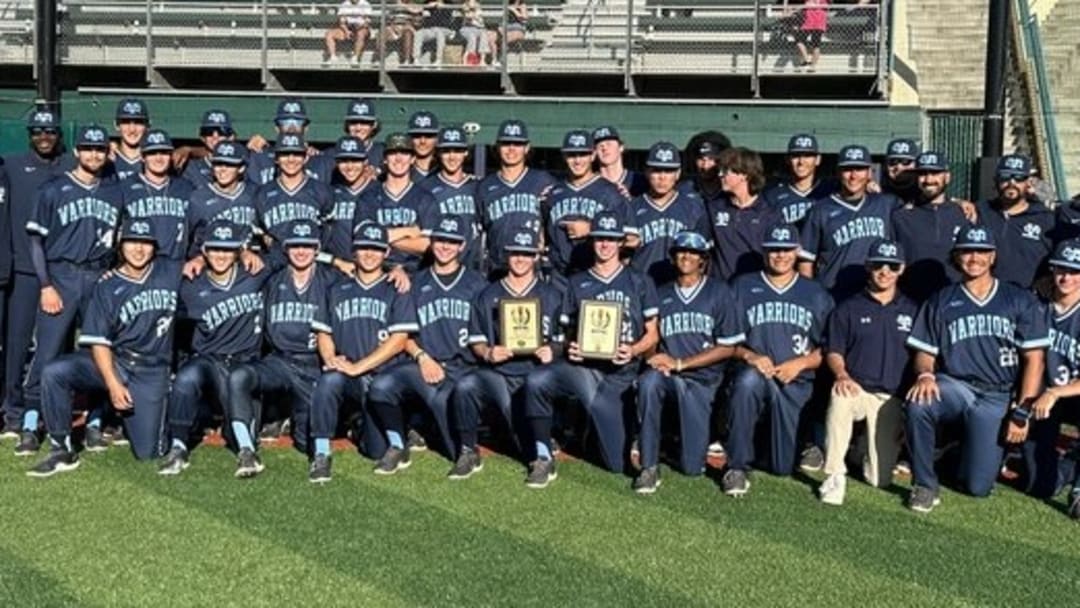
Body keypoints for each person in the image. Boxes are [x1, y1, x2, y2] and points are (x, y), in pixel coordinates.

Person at [904, 223, 1048, 512]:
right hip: (957, 386)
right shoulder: (942, 299)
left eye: (982, 251)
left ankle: (954, 453)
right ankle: (924, 484)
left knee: (977, 487)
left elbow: (1035, 359)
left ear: (993, 256)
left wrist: (1022, 410)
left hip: (998, 395)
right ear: (956, 257)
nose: (974, 258)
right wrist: (926, 374)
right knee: (920, 403)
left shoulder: (1017, 299)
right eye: (967, 251)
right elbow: (924, 351)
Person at [28, 218, 181, 476]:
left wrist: (203, 260)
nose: (139, 249)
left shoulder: (170, 271)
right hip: (117, 362)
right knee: (55, 372)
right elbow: (99, 342)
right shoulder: (108, 285)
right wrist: (113, 384)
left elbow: (209, 261)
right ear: (121, 246)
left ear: (155, 247)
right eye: (133, 242)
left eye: (145, 243)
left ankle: (156, 419)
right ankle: (61, 448)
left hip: (152, 371)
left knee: (148, 453)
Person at [524, 211, 659, 483]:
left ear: (621, 242)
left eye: (611, 239)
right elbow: (566, 333)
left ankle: (598, 430)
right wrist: (570, 347)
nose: (605, 245)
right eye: (599, 239)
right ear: (592, 241)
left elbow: (652, 335)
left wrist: (633, 350)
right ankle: (542, 455)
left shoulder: (640, 281)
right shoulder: (577, 282)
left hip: (620, 375)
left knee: (615, 465)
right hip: (584, 370)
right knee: (537, 380)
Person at [18, 125, 123, 457]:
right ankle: (31, 424)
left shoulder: (113, 192)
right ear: (76, 152)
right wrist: (46, 285)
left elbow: (122, 240)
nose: (93, 154)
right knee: (46, 353)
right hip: (62, 275)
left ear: (108, 153)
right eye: (87, 148)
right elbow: (35, 242)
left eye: (99, 149)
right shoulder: (54, 189)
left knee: (99, 351)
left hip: (98, 276)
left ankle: (94, 422)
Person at [365, 215, 487, 468]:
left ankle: (463, 443)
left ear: (462, 246)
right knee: (380, 386)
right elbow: (404, 335)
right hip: (425, 365)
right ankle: (398, 443)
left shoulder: (477, 284)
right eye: (440, 240)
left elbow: (485, 337)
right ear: (431, 242)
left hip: (465, 368)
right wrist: (422, 357)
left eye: (452, 242)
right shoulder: (416, 282)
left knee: (453, 449)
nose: (445, 246)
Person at [722, 222, 833, 497]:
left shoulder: (815, 293)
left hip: (796, 384)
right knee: (747, 382)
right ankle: (736, 466)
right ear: (764, 252)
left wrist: (801, 363)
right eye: (773, 250)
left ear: (796, 252)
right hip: (757, 375)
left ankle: (764, 449)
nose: (780, 255)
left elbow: (830, 349)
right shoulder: (742, 286)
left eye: (785, 250)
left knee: (781, 466)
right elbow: (727, 342)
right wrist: (750, 355)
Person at [633, 230, 743, 494]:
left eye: (693, 253)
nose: (686, 257)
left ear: (703, 259)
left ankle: (682, 447)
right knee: (648, 382)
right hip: (669, 377)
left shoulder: (719, 292)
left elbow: (728, 346)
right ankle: (649, 465)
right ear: (673, 257)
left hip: (704, 381)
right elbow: (652, 336)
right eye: (681, 251)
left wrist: (681, 363)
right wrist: (651, 358)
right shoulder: (660, 293)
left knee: (692, 468)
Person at [159, 219, 270, 478]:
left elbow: (288, 254)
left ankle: (246, 450)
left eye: (227, 249)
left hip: (246, 362)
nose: (221, 255)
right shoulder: (190, 285)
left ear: (236, 251)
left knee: (239, 433)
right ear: (205, 251)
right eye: (215, 249)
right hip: (210, 360)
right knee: (186, 377)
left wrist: (248, 252)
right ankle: (178, 447)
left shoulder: (255, 274)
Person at [451, 227, 563, 480]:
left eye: (526, 253)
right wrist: (488, 353)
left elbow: (563, 340)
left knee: (525, 443)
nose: (520, 259)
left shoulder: (552, 296)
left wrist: (553, 350)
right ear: (506, 255)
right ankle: (468, 450)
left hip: (537, 374)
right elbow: (476, 340)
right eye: (515, 254)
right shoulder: (488, 294)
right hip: (499, 373)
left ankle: (543, 457)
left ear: (536, 256)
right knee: (466, 385)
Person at [308, 221, 418, 479]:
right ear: (354, 251)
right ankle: (321, 453)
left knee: (373, 450)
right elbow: (324, 332)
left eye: (376, 248)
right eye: (363, 248)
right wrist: (331, 359)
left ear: (386, 253)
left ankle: (380, 434)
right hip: (349, 376)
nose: (369, 254)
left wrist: (360, 366)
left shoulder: (397, 287)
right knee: (328, 380)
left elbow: (399, 339)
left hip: (384, 379)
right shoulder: (337, 288)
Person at [228, 221, 337, 474]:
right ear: (285, 250)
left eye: (307, 246)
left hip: (314, 365)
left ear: (317, 249)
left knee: (303, 442)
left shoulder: (332, 280)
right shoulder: (271, 280)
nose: (301, 251)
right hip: (279, 361)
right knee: (239, 376)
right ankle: (246, 451)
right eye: (295, 246)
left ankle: (319, 451)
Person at [818, 239, 915, 505]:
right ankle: (834, 473)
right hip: (856, 387)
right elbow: (834, 350)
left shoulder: (913, 310)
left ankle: (859, 449)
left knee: (878, 479)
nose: (885, 271)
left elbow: (923, 357)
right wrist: (841, 375)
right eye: (878, 265)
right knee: (840, 397)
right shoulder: (848, 308)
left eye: (892, 266)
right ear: (868, 267)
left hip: (890, 397)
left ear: (901, 269)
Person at [1, 105, 71, 439]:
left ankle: (52, 408)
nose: (44, 137)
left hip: (64, 270)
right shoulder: (12, 166)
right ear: (29, 135)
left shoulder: (72, 165)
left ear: (60, 135)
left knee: (58, 346)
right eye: (37, 132)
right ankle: (13, 410)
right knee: (16, 344)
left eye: (50, 131)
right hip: (25, 271)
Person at [1020, 239, 1080, 517]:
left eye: (1075, 271)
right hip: (1042, 398)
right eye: (1061, 269)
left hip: (1072, 394)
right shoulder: (1036, 306)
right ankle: (1069, 462)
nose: (1066, 277)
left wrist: (1056, 392)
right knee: (1039, 486)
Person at [798, 144, 895, 300]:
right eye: (848, 169)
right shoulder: (821, 210)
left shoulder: (884, 204)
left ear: (869, 172)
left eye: (859, 169)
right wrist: (809, 297)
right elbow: (806, 261)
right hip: (833, 294)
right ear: (838, 172)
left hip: (873, 295)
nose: (853, 176)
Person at [545, 129, 631, 289]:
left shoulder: (610, 192)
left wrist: (592, 229)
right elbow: (542, 237)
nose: (577, 161)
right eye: (572, 155)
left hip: (596, 277)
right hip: (559, 279)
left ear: (593, 155)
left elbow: (633, 239)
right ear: (564, 156)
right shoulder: (553, 193)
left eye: (583, 154)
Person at [477, 119, 556, 276]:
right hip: (497, 269)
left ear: (526, 148)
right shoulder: (485, 186)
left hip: (533, 268)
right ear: (498, 147)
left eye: (517, 144)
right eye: (506, 144)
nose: (511, 149)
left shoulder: (543, 181)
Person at [891, 151, 970, 302]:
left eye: (935, 173)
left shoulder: (965, 214)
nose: (928, 179)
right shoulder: (901, 216)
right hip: (912, 301)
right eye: (923, 173)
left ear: (947, 177)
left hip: (956, 300)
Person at [356, 133, 437, 275]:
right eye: (393, 153)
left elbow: (428, 245)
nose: (399, 159)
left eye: (405, 153)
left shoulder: (425, 198)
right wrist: (408, 232)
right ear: (385, 159)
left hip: (416, 274)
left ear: (412, 159)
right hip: (377, 273)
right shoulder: (369, 197)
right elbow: (362, 238)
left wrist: (380, 238)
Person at [626, 142, 706, 287]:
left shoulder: (693, 207)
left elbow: (704, 256)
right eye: (656, 170)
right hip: (641, 286)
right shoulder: (631, 207)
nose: (662, 177)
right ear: (646, 172)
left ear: (678, 173)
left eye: (668, 171)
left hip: (680, 288)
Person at [252, 133, 335, 271]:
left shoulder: (322, 191)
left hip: (313, 266)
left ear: (306, 157)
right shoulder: (263, 193)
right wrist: (266, 238)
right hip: (275, 267)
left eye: (297, 154)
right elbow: (257, 230)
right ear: (277, 158)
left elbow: (328, 230)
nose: (291, 159)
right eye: (285, 154)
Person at [699, 146, 781, 280]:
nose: (720, 175)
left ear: (745, 175)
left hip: (754, 289)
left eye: (726, 171)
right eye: (720, 170)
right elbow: (698, 245)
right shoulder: (714, 208)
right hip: (721, 290)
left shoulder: (769, 214)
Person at [976, 154, 1053, 289]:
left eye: (1019, 178)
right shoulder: (980, 211)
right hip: (987, 297)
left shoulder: (1046, 219)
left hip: (1029, 300)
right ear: (996, 180)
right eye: (1005, 177)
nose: (1012, 183)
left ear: (1028, 183)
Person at [119, 129, 195, 262]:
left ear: (171, 155)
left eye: (164, 152)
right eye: (152, 153)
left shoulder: (186, 189)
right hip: (138, 266)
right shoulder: (124, 188)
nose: (158, 158)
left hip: (176, 265)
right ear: (143, 157)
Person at [422, 125, 484, 272]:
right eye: (446, 151)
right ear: (438, 153)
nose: (452, 157)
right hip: (437, 267)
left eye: (457, 150)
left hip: (473, 267)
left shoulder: (479, 187)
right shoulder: (425, 188)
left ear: (466, 152)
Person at [761, 133, 834, 228]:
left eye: (807, 156)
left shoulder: (831, 192)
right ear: (787, 159)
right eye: (796, 156)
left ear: (818, 160)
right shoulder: (773, 195)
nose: (801, 162)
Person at [323, 136, 376, 265]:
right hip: (337, 267)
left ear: (366, 161)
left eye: (356, 160)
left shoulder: (379, 192)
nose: (350, 166)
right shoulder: (329, 193)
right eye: (344, 161)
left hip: (373, 266)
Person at [180, 110, 238, 190]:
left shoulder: (240, 165)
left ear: (231, 137)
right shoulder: (191, 169)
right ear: (202, 137)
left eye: (221, 131)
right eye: (209, 131)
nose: (215, 136)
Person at [593, 126, 647, 198]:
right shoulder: (590, 183)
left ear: (621, 147)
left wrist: (630, 201)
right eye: (600, 146)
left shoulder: (638, 181)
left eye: (609, 144)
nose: (604, 148)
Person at [323, 0, 373, 67]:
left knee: (361, 33)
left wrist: (358, 28)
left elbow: (367, 22)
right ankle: (333, 57)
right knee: (329, 34)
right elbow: (341, 22)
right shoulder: (345, 4)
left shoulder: (365, 3)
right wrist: (346, 31)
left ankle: (355, 58)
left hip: (362, 28)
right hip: (348, 28)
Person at [413, 0, 455, 66]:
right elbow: (426, 21)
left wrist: (444, 8)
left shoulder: (449, 3)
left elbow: (448, 22)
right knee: (419, 33)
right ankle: (416, 59)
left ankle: (439, 59)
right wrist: (428, 7)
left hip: (445, 29)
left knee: (439, 32)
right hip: (431, 29)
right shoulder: (427, 3)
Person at [459, 0, 498, 66]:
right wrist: (472, 11)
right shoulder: (465, 5)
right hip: (467, 28)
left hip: (479, 28)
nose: (473, 3)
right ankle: (465, 60)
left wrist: (475, 12)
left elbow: (480, 20)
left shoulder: (478, 6)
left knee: (484, 35)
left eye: (474, 2)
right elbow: (468, 16)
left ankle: (482, 61)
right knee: (472, 37)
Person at [406, 111, 440, 180]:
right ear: (410, 138)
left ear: (436, 138)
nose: (422, 141)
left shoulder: (445, 170)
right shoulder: (401, 170)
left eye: (428, 136)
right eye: (417, 135)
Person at [796, 0, 828, 69]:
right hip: (808, 24)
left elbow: (825, 7)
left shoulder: (823, 1)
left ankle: (813, 66)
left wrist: (815, 3)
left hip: (818, 24)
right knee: (799, 41)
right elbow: (803, 8)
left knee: (816, 45)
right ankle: (806, 60)